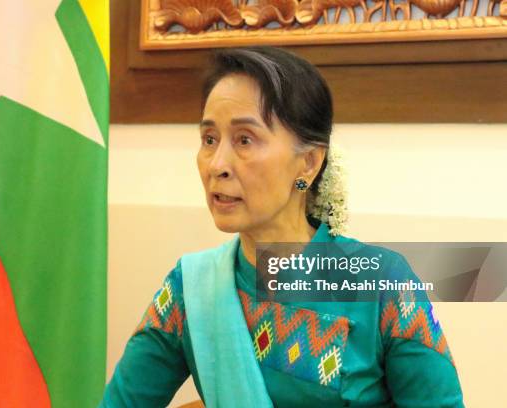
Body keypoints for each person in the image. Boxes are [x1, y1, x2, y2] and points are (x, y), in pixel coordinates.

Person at [100, 47, 464, 407]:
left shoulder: (383, 283)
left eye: (245, 140)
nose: (217, 164)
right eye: (209, 140)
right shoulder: (190, 288)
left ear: (308, 163)